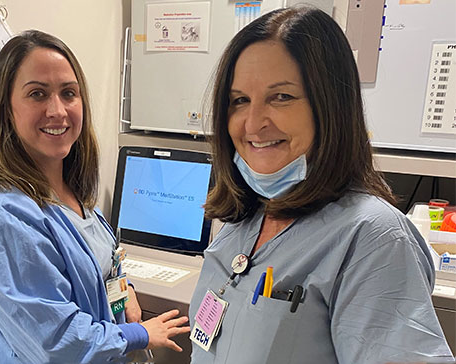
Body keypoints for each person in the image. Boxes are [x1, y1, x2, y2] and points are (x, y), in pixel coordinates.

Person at [189, 7, 454, 364]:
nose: (253, 123)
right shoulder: (247, 217)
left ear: (329, 106)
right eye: (239, 101)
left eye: (281, 97)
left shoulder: (373, 238)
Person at [0, 30, 189, 364]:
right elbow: (57, 343)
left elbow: (100, 263)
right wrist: (141, 335)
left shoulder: (69, 188)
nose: (58, 111)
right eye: (37, 94)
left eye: (69, 93)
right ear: (6, 110)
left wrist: (126, 290)